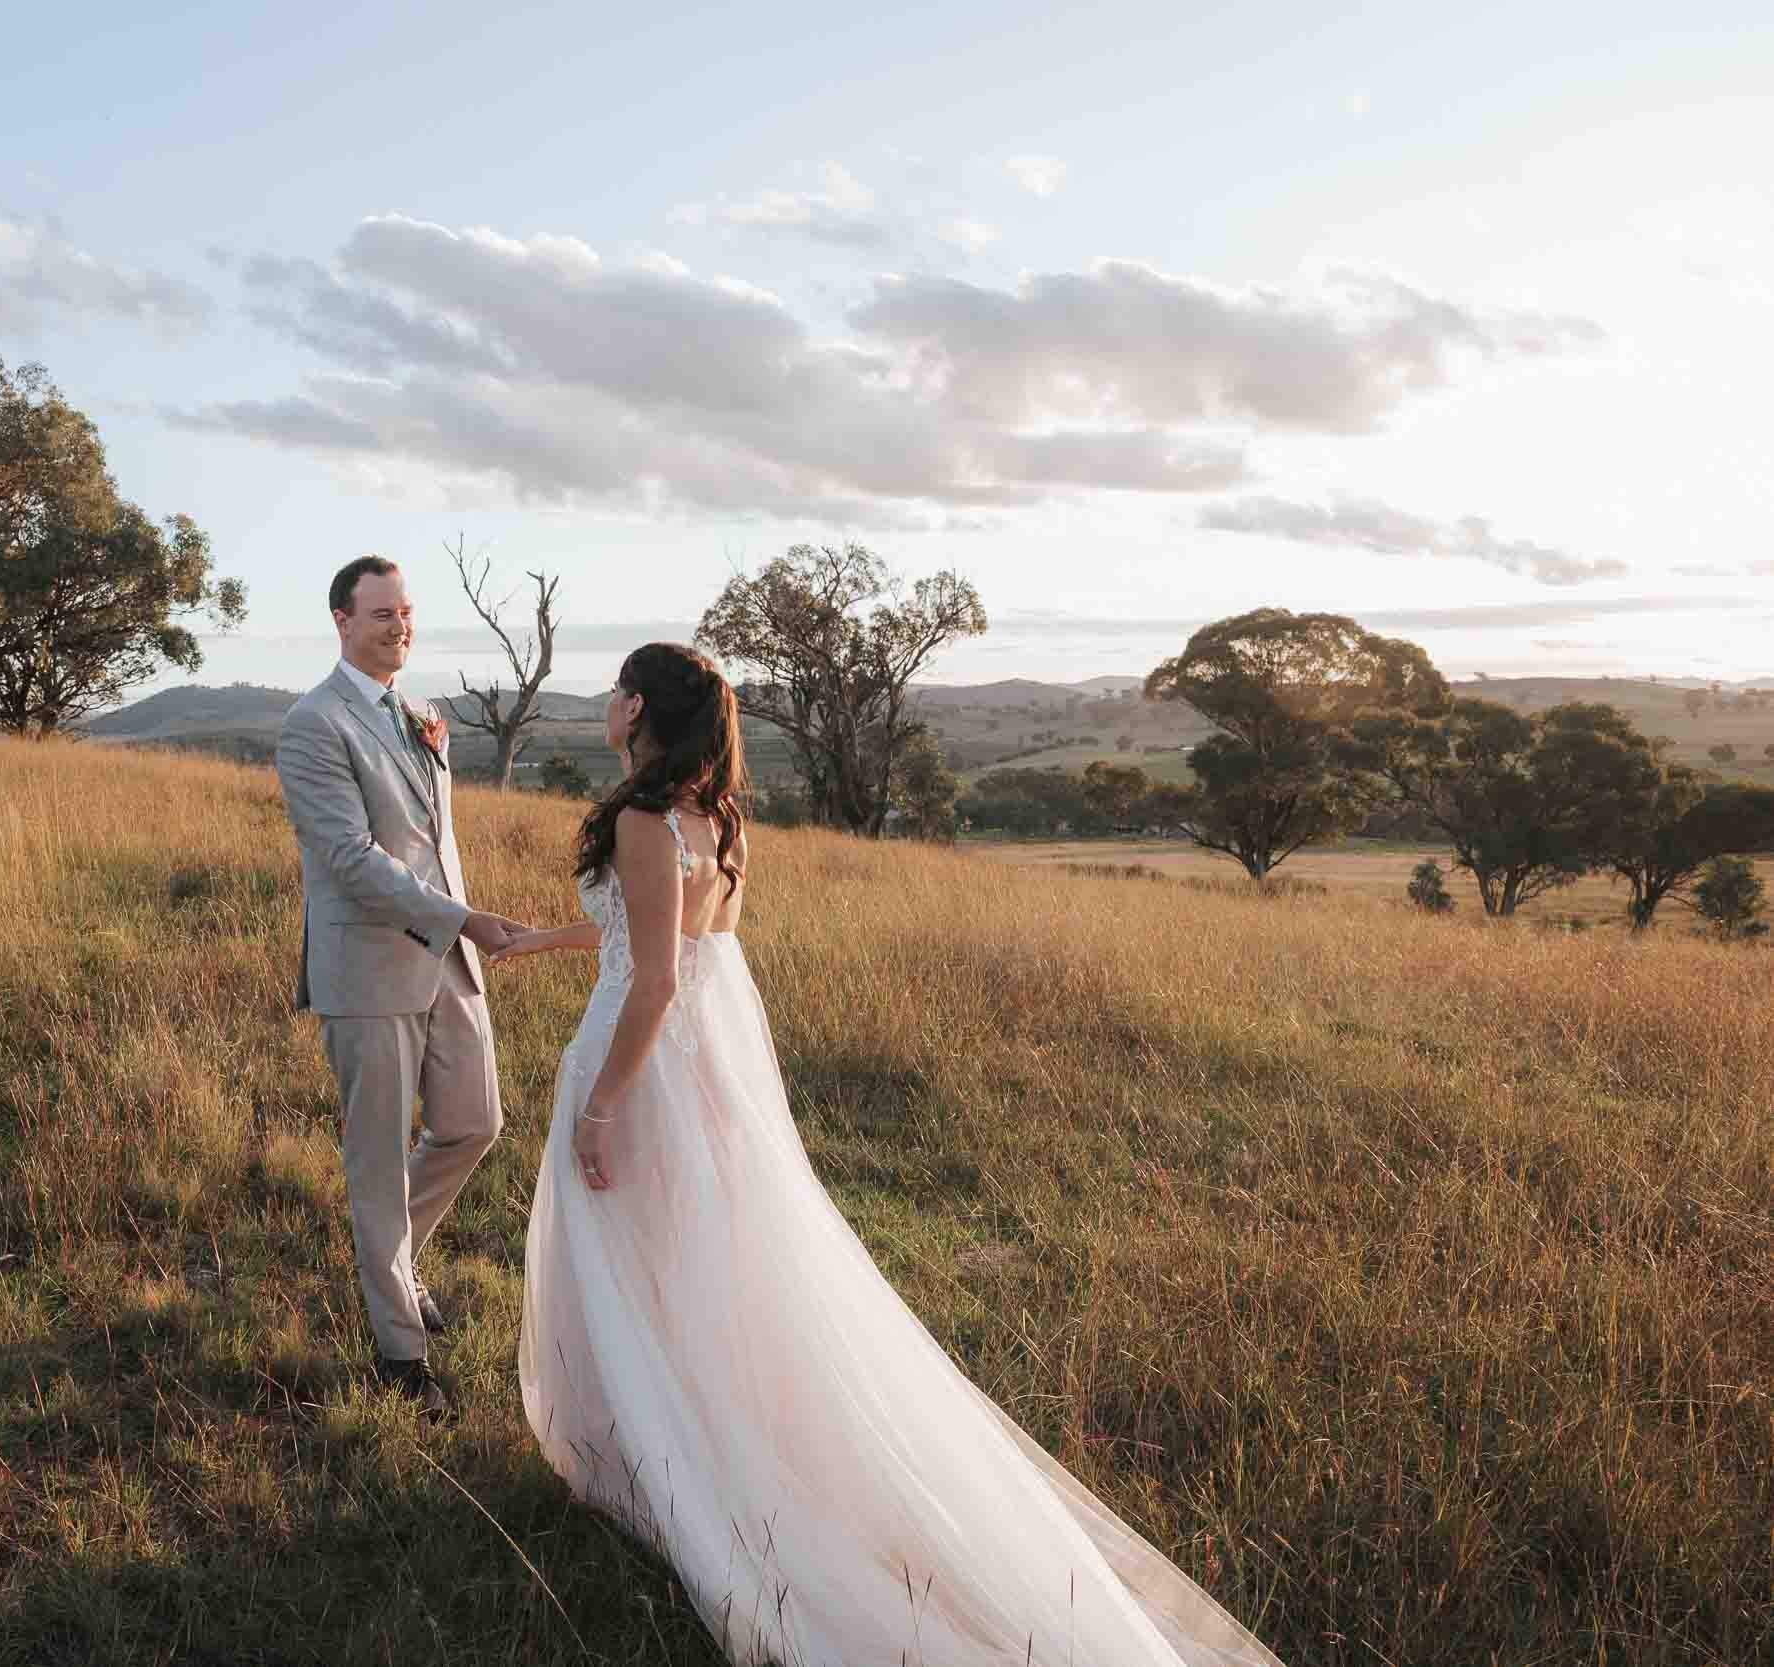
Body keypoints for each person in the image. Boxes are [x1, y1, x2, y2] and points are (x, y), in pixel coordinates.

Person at [496, 642, 1285, 1666]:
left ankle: (656, 1465)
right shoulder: (718, 818)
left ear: (636, 705)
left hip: (641, 1069)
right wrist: (536, 937)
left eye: (614, 690)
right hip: (704, 1073)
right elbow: (668, 936)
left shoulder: (643, 819)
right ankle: (666, 1445)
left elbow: (652, 980)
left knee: (628, 1255)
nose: (606, 703)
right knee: (695, 1262)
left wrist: (601, 1108)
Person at [274, 555, 525, 1421]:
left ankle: (393, 1262)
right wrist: (464, 920)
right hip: (369, 968)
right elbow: (349, 860)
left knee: (474, 1123)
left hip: (447, 960)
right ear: (341, 620)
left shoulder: (421, 716)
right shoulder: (314, 723)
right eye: (381, 613)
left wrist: (457, 930)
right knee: (376, 1166)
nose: (398, 626)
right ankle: (401, 1355)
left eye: (406, 612)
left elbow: (427, 839)